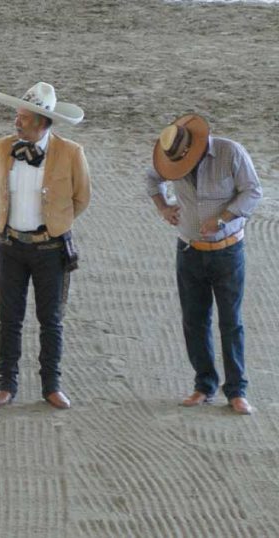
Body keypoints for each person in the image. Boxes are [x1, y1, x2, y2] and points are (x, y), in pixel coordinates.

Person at [146, 114, 262, 415]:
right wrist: (163, 207)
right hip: (189, 250)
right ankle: (204, 384)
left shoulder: (230, 152)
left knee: (230, 322)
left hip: (228, 251)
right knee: (194, 320)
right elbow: (151, 178)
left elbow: (252, 191)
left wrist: (223, 218)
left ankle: (237, 390)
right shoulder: (169, 159)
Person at [0, 82, 90, 410]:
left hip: (51, 248)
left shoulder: (72, 153)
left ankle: (51, 385)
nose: (17, 122)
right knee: (8, 317)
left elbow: (81, 198)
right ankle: (6, 383)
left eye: (24, 118)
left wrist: (56, 222)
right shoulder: (1, 148)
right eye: (17, 116)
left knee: (52, 319)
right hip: (10, 245)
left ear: (42, 123)